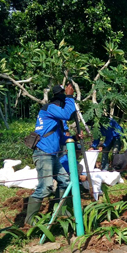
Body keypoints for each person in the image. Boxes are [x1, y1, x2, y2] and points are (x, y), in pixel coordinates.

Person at [26, 83, 77, 225]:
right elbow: (68, 114)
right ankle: (30, 221)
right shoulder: (50, 108)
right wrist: (70, 96)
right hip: (43, 154)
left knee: (65, 182)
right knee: (46, 187)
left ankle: (62, 211)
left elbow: (61, 138)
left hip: (52, 155)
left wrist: (75, 138)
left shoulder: (56, 117)